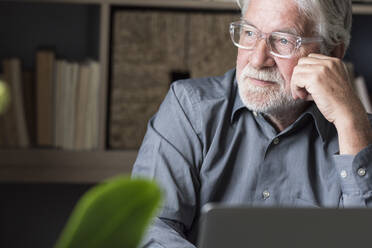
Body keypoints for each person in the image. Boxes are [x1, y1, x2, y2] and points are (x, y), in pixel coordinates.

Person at [132, 0, 372, 247]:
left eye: (283, 40)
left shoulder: (360, 135)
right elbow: (150, 225)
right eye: (249, 32)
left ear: (331, 54)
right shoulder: (190, 109)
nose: (257, 59)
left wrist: (351, 124)